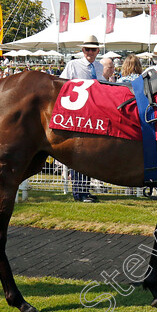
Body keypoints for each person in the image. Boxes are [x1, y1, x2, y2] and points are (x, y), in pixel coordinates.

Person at [60, 36, 104, 203]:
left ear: (98, 51)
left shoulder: (99, 67)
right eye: (87, 49)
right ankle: (79, 192)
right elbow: (63, 85)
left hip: (94, 113)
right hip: (77, 113)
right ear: (82, 50)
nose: (90, 53)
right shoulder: (73, 65)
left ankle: (84, 190)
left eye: (93, 49)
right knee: (78, 152)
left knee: (88, 153)